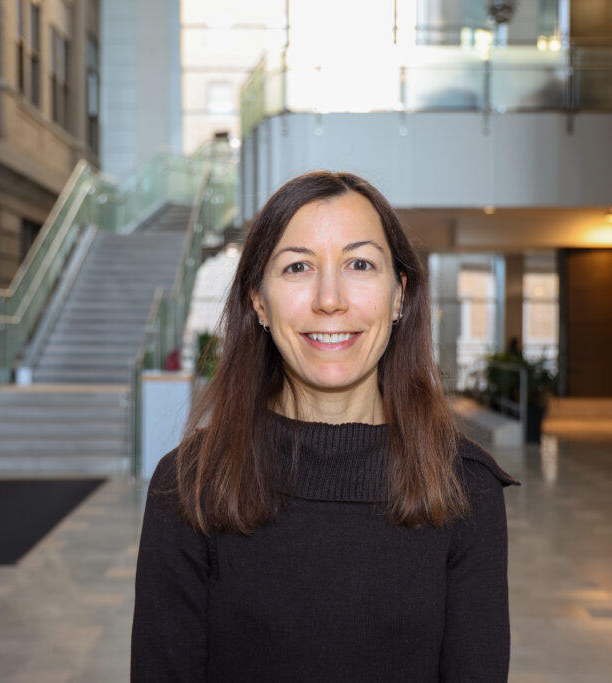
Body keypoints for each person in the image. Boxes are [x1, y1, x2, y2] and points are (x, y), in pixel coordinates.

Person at [131, 171, 519, 682]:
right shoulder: (187, 487)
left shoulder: (465, 488)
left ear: (399, 295)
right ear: (259, 300)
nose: (330, 299)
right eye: (298, 266)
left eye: (359, 264)